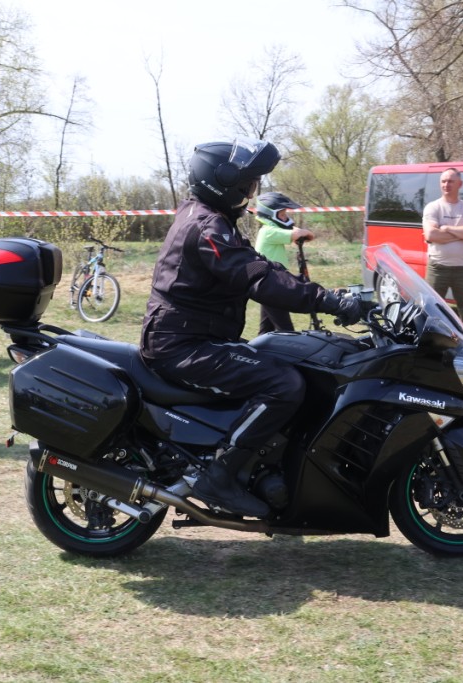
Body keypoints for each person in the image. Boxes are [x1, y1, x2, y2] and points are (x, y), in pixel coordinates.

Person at [140, 137, 363, 517]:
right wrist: (328, 302)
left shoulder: (207, 216)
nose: (251, 192)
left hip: (190, 336)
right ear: (222, 182)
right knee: (284, 384)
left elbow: (260, 265)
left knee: (285, 354)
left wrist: (329, 293)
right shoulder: (207, 226)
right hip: (182, 344)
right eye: (247, 184)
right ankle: (220, 475)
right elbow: (258, 279)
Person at [422, 168, 463, 339]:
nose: (446, 184)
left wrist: (446, 228)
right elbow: (431, 235)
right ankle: (431, 345)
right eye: (443, 181)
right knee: (431, 308)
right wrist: (461, 234)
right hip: (437, 267)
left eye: (450, 181)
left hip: (462, 268)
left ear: (460, 184)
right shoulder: (433, 207)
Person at [252, 191, 315, 334]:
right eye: (282, 214)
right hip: (271, 285)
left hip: (269, 284)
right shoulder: (268, 231)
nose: (286, 217)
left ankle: (260, 346)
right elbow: (304, 234)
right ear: (270, 215)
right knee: (286, 330)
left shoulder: (270, 231)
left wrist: (297, 233)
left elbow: (294, 234)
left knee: (266, 329)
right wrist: (302, 232)